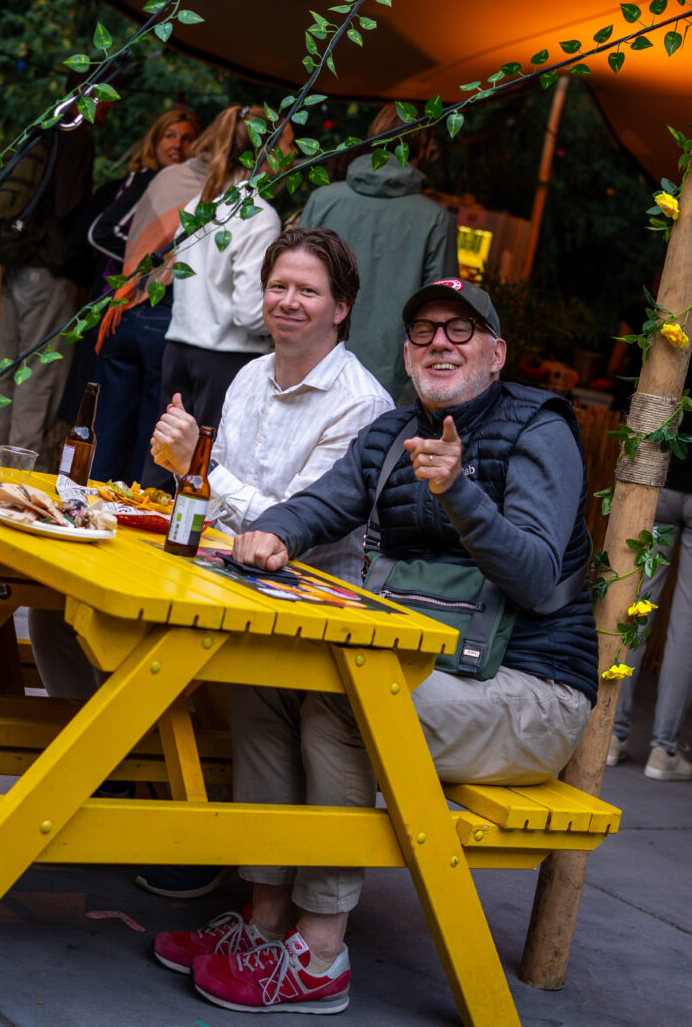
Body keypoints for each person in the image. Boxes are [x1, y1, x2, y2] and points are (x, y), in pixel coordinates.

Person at [156, 276, 599, 1014]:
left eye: (461, 331)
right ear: (406, 350)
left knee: (344, 706)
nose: (440, 343)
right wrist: (275, 535)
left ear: (496, 353)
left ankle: (321, 952)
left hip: (531, 694)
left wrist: (459, 492)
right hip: (432, 673)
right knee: (265, 681)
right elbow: (321, 503)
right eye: (424, 330)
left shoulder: (539, 429)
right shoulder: (394, 432)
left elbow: (532, 573)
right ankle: (267, 924)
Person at [27, 226, 393, 893]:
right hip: (215, 577)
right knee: (55, 614)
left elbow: (292, 528)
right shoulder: (252, 375)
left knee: (143, 649)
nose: (287, 300)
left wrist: (195, 465)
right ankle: (120, 785)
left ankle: (182, 831)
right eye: (277, 286)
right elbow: (214, 500)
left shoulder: (362, 403)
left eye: (307, 290)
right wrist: (183, 468)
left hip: (292, 606)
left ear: (340, 308)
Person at [141, 105, 296, 491]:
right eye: (290, 145)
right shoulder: (259, 215)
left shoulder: (199, 206)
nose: (295, 155)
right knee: (203, 474)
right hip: (227, 361)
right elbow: (248, 313)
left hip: (178, 348)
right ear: (267, 151)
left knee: (164, 461)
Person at [72, 108, 201, 483]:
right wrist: (140, 267)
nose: (178, 145)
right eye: (169, 136)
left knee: (115, 428)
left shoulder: (177, 180)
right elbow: (102, 231)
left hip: (131, 304)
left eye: (187, 137)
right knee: (139, 432)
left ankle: (90, 503)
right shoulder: (151, 179)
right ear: (153, 139)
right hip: (134, 299)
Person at [299, 103, 459, 402]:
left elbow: (291, 283)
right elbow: (441, 312)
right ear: (424, 147)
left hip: (310, 364)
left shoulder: (322, 200)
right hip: (388, 384)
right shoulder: (437, 220)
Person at [0, 114, 95, 470]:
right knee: (35, 382)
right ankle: (16, 482)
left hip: (13, 267)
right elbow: (69, 206)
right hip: (46, 270)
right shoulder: (77, 135)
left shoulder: (41, 128)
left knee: (1, 374)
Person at [607, 360, 692, 780]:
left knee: (636, 605)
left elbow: (630, 390)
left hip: (661, 475)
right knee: (687, 624)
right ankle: (663, 752)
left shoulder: (679, 325)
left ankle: (612, 735)